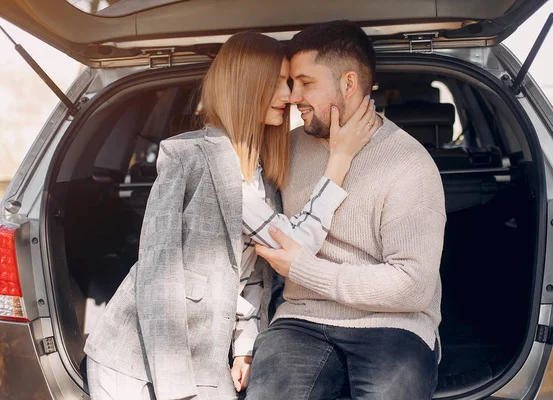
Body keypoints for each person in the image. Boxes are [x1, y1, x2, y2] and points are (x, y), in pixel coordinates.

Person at [83, 31, 377, 400]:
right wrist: (339, 161)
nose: (289, 97)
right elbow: (159, 278)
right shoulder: (192, 157)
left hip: (204, 361)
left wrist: (245, 347)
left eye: (290, 83)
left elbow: (250, 273)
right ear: (246, 83)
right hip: (135, 362)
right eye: (278, 83)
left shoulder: (259, 175)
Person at [246, 21, 446, 400]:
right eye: (291, 84)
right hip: (301, 320)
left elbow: (413, 288)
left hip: (394, 325)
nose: (292, 97)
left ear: (349, 84)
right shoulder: (285, 149)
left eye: (306, 83)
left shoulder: (409, 164)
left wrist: (304, 269)